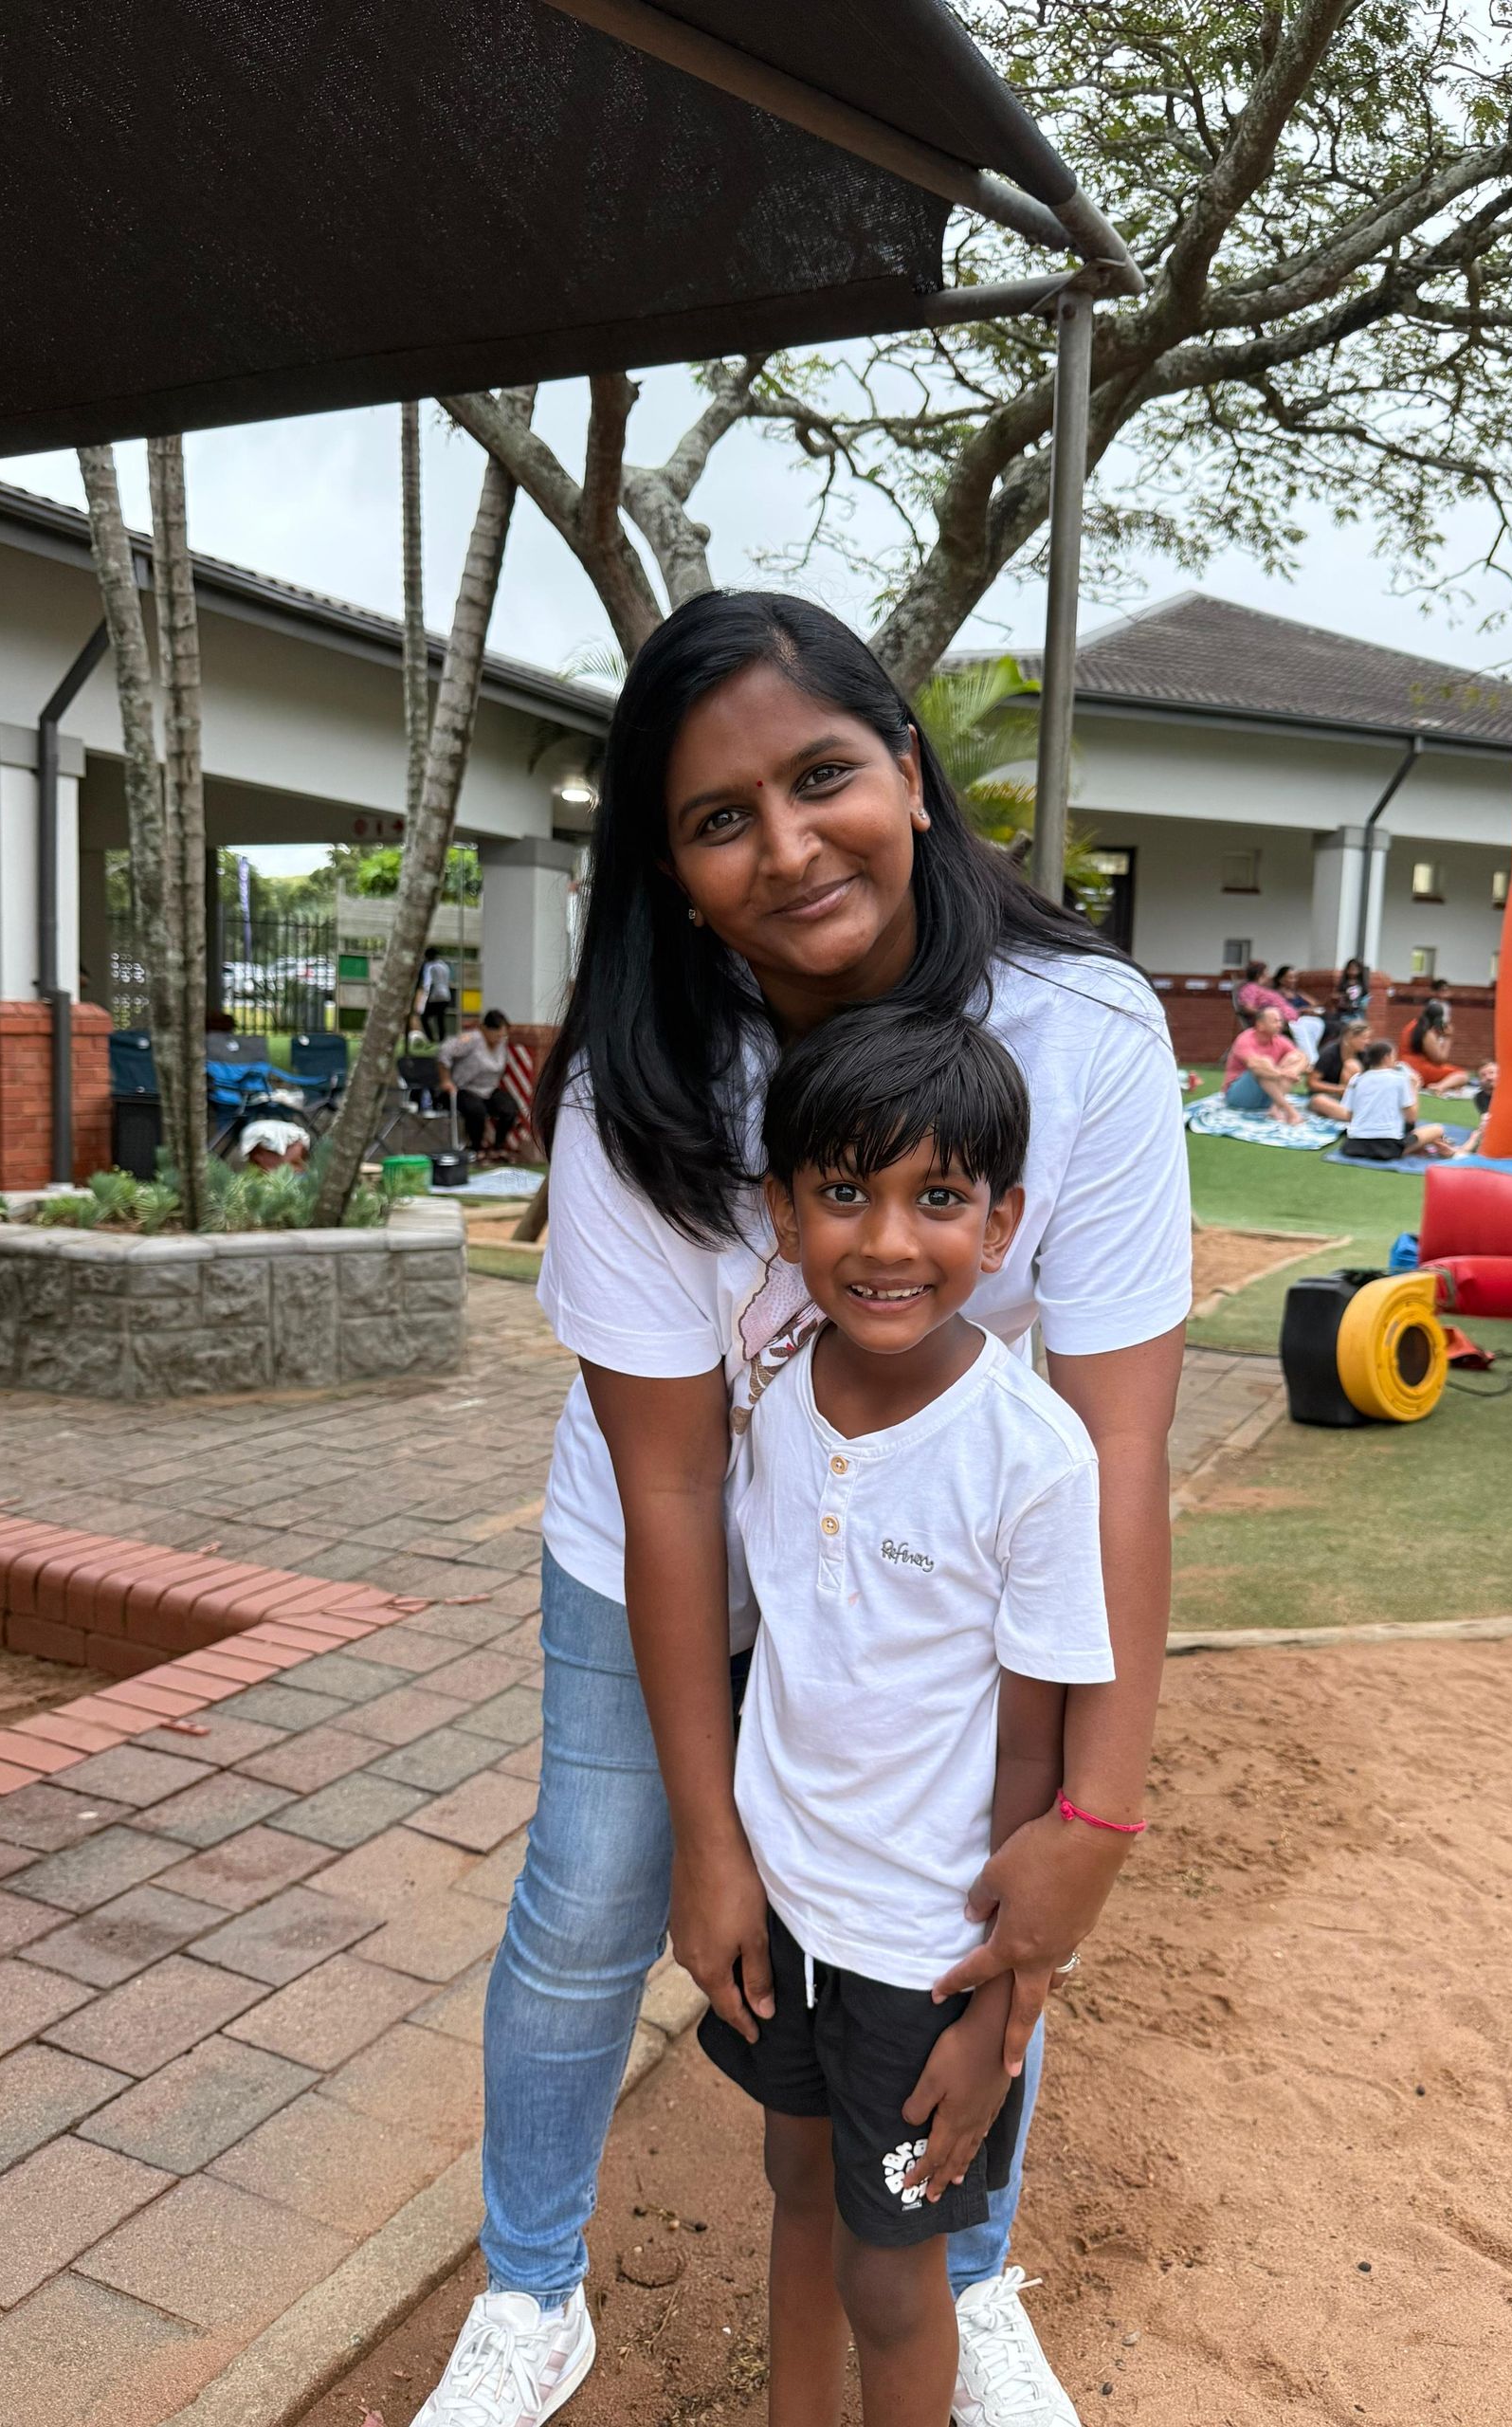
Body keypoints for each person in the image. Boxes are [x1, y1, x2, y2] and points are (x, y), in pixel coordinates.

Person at [410, 591, 1191, 2427]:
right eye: (718, 817)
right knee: (597, 1894)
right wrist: (712, 1831)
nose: (785, 845)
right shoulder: (639, 1087)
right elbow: (673, 1473)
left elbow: (1119, 1446)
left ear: (909, 773)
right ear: (671, 872)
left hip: (936, 1557)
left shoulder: (1080, 1030)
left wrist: (1097, 1809)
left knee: (977, 1899)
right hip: (672, 1541)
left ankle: (963, 2273)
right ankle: (531, 2290)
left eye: (822, 776)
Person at [701, 1006, 1120, 2427]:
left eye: (937, 1198)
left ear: (1000, 1225)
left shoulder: (1033, 1458)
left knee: (894, 2282)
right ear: (783, 1212)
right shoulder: (774, 1399)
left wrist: (999, 2011)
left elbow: (1035, 1751)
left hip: (924, 1961)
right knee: (794, 2184)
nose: (888, 1240)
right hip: (790, 1910)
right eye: (845, 1191)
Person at [1336, 1038, 1461, 1160]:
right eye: (1394, 1057)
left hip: (1353, 1145)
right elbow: (1411, 1118)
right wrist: (1414, 1088)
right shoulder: (1399, 1079)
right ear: (1386, 1058)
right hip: (1387, 1148)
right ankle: (1432, 1145)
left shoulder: (1356, 1079)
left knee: (1409, 1133)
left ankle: (1428, 1145)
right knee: (1437, 1129)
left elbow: (1349, 1116)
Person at [437, 1009, 519, 1159]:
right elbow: (445, 1051)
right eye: (497, 1035)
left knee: (509, 1109)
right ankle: (476, 1148)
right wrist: (446, 1080)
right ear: (486, 1029)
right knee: (476, 1111)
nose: (500, 1039)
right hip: (464, 1088)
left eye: (503, 1035)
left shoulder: (501, 1043)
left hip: (489, 1089)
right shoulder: (472, 1039)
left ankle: (498, 1146)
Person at [1223, 1002, 1309, 1123]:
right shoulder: (1245, 1039)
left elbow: (1303, 1058)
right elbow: (1254, 1065)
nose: (1280, 1024)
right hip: (1239, 1096)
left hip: (1269, 1096)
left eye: (1280, 1021)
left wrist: (1293, 1071)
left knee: (1294, 1057)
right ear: (1260, 1025)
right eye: (1275, 1021)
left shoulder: (1280, 1040)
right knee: (1263, 1064)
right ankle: (1291, 1112)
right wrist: (1283, 1074)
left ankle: (1275, 1108)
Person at [1399, 1002, 1478, 1096]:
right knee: (1462, 1075)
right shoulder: (1427, 1033)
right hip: (1419, 1070)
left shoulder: (1411, 1025)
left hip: (1404, 1067)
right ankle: (1440, 1086)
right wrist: (1448, 1037)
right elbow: (1440, 1060)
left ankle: (1440, 1084)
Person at [1270, 964, 1326, 1061]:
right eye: (1290, 977)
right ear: (1281, 980)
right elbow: (1281, 1011)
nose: (1294, 980)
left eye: (1295, 977)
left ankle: (1311, 1055)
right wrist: (1301, 1011)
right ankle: (1311, 1059)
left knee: (1319, 1023)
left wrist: (1310, 1009)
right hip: (1292, 1021)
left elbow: (1315, 1004)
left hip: (1306, 1019)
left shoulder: (1297, 993)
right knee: (1301, 1026)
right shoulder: (1276, 995)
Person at [417, 952, 456, 1043]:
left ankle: (431, 1039)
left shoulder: (430, 966)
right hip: (446, 996)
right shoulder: (444, 965)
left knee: (424, 1017)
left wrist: (424, 1000)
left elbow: (429, 983)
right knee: (440, 1019)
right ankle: (442, 1040)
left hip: (435, 996)